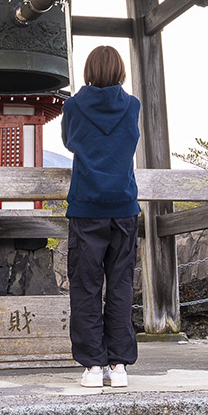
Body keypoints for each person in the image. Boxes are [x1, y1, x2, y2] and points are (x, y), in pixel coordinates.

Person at [60, 44, 140, 390]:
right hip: (123, 207)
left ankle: (93, 367)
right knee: (120, 285)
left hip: (86, 207)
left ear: (89, 72)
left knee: (86, 286)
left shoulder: (73, 105)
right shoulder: (132, 105)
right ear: (120, 71)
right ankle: (118, 365)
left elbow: (69, 141)